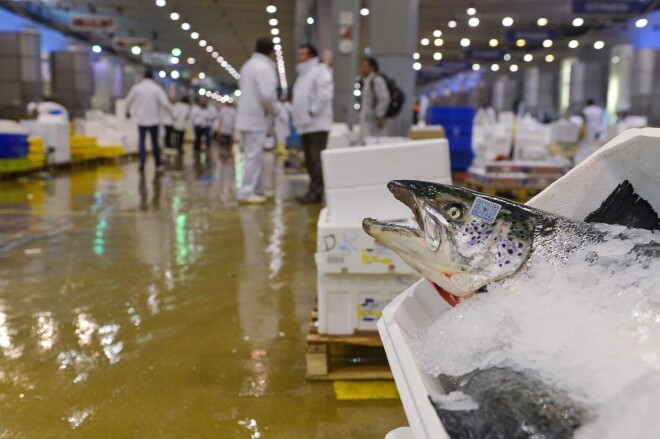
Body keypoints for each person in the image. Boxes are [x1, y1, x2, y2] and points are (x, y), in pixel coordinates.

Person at [235, 37, 279, 204]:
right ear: (271, 53)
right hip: (256, 118)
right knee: (253, 156)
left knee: (254, 155)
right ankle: (246, 191)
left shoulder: (248, 66)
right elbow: (267, 95)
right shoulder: (265, 68)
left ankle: (258, 189)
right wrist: (275, 110)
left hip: (245, 117)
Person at [291, 44, 334, 204]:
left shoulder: (320, 70)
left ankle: (317, 192)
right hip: (306, 125)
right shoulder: (303, 74)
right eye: (299, 53)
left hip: (317, 124)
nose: (299, 57)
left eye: (302, 54)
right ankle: (313, 190)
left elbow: (325, 94)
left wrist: (312, 111)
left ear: (311, 56)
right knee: (309, 160)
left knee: (316, 160)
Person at [124, 69, 173, 173]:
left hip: (141, 120)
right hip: (154, 120)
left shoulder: (137, 88)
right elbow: (165, 102)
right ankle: (158, 163)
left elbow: (128, 100)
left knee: (142, 141)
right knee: (155, 142)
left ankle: (142, 162)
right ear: (152, 78)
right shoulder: (156, 89)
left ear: (143, 77)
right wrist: (173, 114)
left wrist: (127, 112)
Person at [359, 57, 390, 143]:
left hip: (374, 121)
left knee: (376, 143)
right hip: (368, 120)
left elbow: (384, 98)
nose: (361, 68)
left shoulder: (377, 80)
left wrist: (379, 115)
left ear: (372, 67)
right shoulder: (368, 81)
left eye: (364, 66)